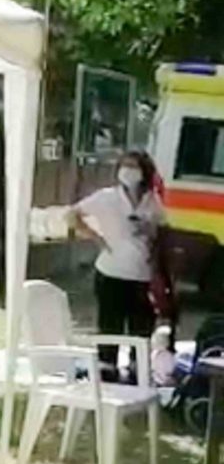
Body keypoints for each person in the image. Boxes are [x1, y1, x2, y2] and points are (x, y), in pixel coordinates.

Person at [68, 151, 168, 381]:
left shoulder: (152, 200)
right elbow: (72, 215)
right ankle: (107, 368)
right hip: (111, 272)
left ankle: (136, 369)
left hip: (142, 274)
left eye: (134, 166)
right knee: (110, 324)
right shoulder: (107, 197)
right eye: (125, 165)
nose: (129, 171)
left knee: (141, 327)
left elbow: (162, 230)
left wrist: (150, 230)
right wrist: (97, 239)